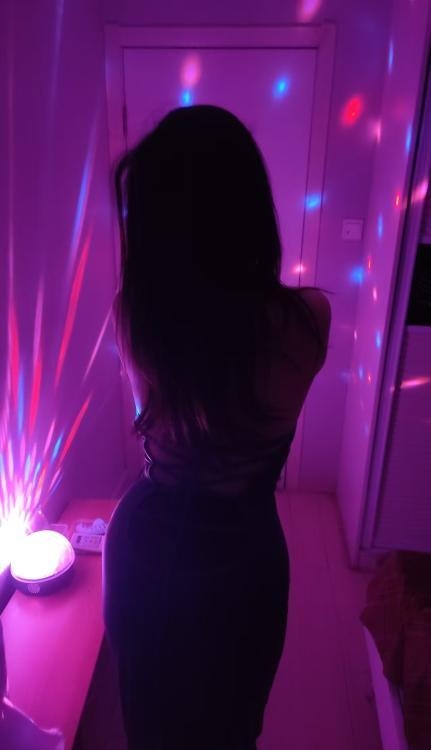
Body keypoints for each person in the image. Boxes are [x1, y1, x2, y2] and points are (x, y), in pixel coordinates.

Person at [103, 104, 331, 750]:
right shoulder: (308, 319)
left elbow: (161, 422)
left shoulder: (135, 316)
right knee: (232, 729)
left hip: (148, 542)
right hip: (245, 552)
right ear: (250, 211)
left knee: (148, 724)